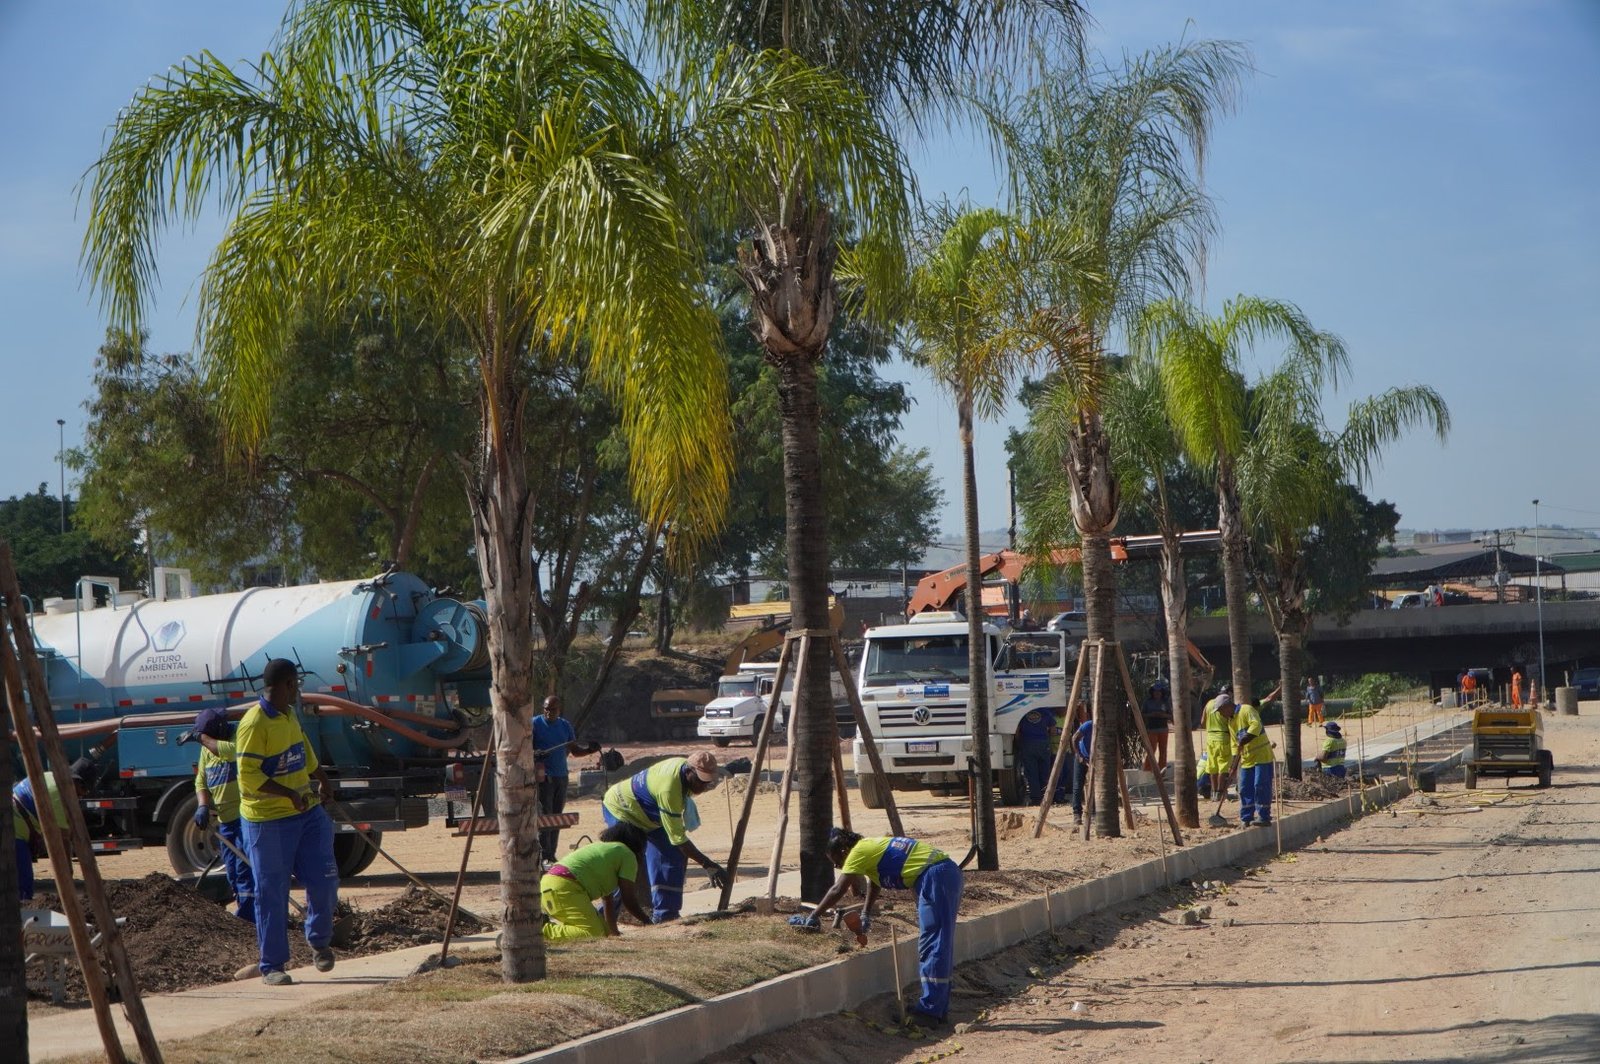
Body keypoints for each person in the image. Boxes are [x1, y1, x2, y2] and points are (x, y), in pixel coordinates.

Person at [237, 658, 340, 986]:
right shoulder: (253, 724)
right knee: (271, 893)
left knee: (324, 878)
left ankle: (319, 941)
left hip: (307, 815)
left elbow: (303, 750)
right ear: (287, 685)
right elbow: (248, 778)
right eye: (296, 685)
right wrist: (288, 794)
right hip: (267, 822)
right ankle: (272, 966)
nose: (298, 691)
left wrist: (321, 777)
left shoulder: (289, 714)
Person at [794, 828, 963, 1027]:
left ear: (844, 850)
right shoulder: (872, 848)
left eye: (837, 861)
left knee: (933, 944)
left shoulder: (858, 851)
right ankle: (936, 1008)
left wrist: (813, 916)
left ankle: (930, 1011)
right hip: (939, 876)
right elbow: (875, 884)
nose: (840, 867)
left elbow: (838, 889)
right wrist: (865, 914)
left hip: (935, 878)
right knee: (935, 942)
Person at [601, 751, 728, 922]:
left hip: (650, 816)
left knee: (671, 857)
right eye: (700, 781)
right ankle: (604, 918)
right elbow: (679, 840)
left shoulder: (683, 769)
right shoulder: (669, 789)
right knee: (627, 862)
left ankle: (666, 916)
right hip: (623, 810)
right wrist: (708, 865)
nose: (702, 787)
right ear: (688, 772)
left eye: (707, 782)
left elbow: (676, 842)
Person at [189, 706, 255, 923]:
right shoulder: (206, 749)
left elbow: (233, 751)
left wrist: (204, 739)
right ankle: (245, 913)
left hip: (246, 818)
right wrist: (203, 805)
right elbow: (201, 781)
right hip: (225, 822)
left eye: (208, 737)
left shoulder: (239, 737)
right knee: (233, 873)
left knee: (246, 869)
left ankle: (249, 917)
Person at [540, 822, 652, 940]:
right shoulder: (628, 855)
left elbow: (608, 901)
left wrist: (613, 933)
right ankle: (540, 931)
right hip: (564, 887)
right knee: (593, 933)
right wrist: (647, 921)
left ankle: (543, 927)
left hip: (550, 886)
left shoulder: (607, 852)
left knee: (603, 931)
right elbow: (628, 899)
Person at [532, 695, 598, 865]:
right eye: (546, 709)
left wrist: (590, 750)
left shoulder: (565, 726)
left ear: (559, 710)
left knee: (557, 815)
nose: (548, 712)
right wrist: (535, 753)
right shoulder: (534, 724)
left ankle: (551, 853)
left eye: (552, 709)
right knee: (546, 814)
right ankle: (544, 853)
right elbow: (524, 748)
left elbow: (575, 751)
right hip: (544, 776)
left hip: (561, 776)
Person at [11, 769, 75, 902]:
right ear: (76, 783)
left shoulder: (50, 776)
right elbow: (63, 840)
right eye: (83, 790)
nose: (82, 795)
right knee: (23, 883)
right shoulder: (56, 794)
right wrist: (68, 872)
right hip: (14, 831)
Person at [1233, 701, 1275, 827]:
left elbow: (1256, 726)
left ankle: (1264, 816)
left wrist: (1244, 739)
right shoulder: (1230, 721)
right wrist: (1234, 762)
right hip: (1247, 759)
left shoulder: (1247, 710)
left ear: (1227, 706)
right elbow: (1234, 743)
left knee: (1260, 785)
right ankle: (1246, 816)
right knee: (1245, 787)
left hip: (1262, 757)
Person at [1014, 705, 1056, 806]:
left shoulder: (1021, 711)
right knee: (1045, 772)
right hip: (1043, 744)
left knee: (1031, 773)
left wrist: (1019, 743)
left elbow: (1017, 731)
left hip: (1027, 744)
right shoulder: (1045, 711)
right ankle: (1046, 797)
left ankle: (1036, 799)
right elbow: (1053, 730)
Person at [1203, 688, 1238, 802]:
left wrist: (1211, 725)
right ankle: (1220, 792)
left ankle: (1213, 793)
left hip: (1210, 737)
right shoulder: (1225, 705)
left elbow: (1203, 722)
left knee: (1212, 766)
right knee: (1223, 767)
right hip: (1223, 736)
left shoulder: (1208, 703)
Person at [1141, 682, 1171, 773]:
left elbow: (1170, 715)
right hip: (1151, 729)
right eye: (1155, 691)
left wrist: (1163, 715)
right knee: (1151, 750)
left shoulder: (1165, 702)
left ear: (1162, 692)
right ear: (1152, 692)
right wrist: (1152, 714)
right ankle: (1147, 770)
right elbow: (1142, 714)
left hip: (1163, 730)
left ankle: (1162, 770)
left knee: (1163, 751)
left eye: (1159, 691)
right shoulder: (1148, 702)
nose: (1157, 693)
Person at [1071, 712, 1094, 825]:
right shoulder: (1088, 725)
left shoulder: (1106, 728)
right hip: (1082, 757)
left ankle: (1093, 811)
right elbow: (1074, 738)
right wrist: (1079, 756)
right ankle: (1077, 814)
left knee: (1095, 785)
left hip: (1094, 760)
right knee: (1078, 786)